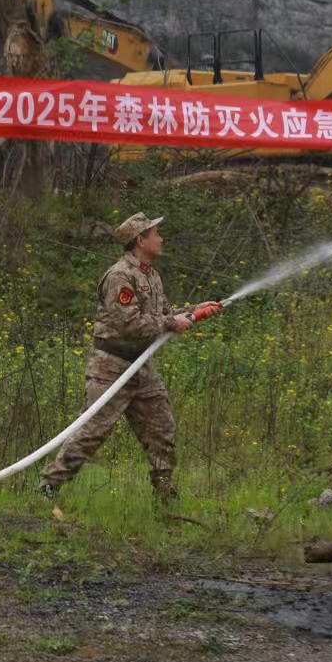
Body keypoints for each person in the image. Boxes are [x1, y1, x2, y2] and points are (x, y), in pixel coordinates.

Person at [39, 212, 219, 501]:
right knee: (92, 432)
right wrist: (173, 323)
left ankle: (164, 495)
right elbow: (130, 323)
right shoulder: (120, 276)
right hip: (111, 368)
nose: (161, 239)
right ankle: (50, 486)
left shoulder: (151, 275)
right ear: (140, 240)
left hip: (143, 367)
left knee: (162, 430)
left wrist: (195, 310)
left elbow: (160, 317)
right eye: (155, 234)